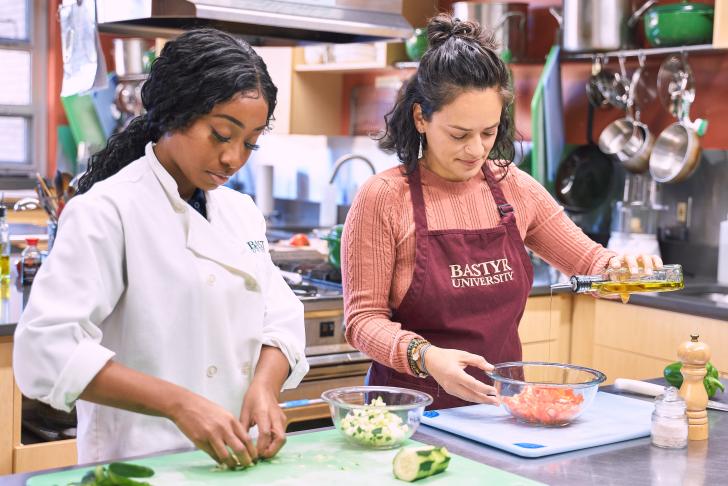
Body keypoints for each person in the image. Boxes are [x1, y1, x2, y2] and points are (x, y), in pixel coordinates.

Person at [13, 29, 308, 467]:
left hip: (236, 462)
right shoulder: (107, 210)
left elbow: (280, 317)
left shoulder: (240, 211)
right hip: (141, 462)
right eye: (221, 134)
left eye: (249, 142)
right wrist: (179, 404)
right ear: (175, 113)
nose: (234, 159)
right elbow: (44, 351)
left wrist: (265, 387)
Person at [341, 14, 662, 410]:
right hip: (408, 414)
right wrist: (426, 357)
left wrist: (625, 271)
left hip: (502, 410)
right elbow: (361, 321)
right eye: (459, 135)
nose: (476, 150)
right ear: (421, 117)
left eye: (489, 133)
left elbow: (591, 262)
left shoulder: (513, 187)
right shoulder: (384, 197)